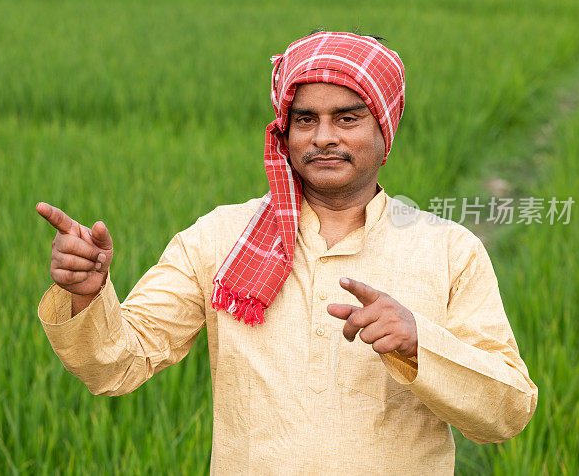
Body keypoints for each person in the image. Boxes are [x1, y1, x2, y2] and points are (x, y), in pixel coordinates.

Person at [35, 31, 537, 474]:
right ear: (286, 131)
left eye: (347, 118)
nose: (323, 137)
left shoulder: (448, 250)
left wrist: (417, 344)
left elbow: (508, 411)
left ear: (385, 129)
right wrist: (87, 295)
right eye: (305, 119)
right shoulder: (220, 238)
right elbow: (118, 365)